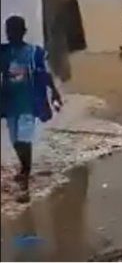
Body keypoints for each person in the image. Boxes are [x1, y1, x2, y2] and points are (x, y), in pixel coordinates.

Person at [1, 15, 62, 203]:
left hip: (29, 102)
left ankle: (25, 179)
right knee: (15, 140)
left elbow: (45, 75)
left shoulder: (35, 53)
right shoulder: (4, 52)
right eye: (8, 31)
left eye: (15, 31)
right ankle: (23, 167)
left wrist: (55, 93)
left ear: (23, 32)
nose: (11, 35)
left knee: (24, 140)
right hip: (10, 103)